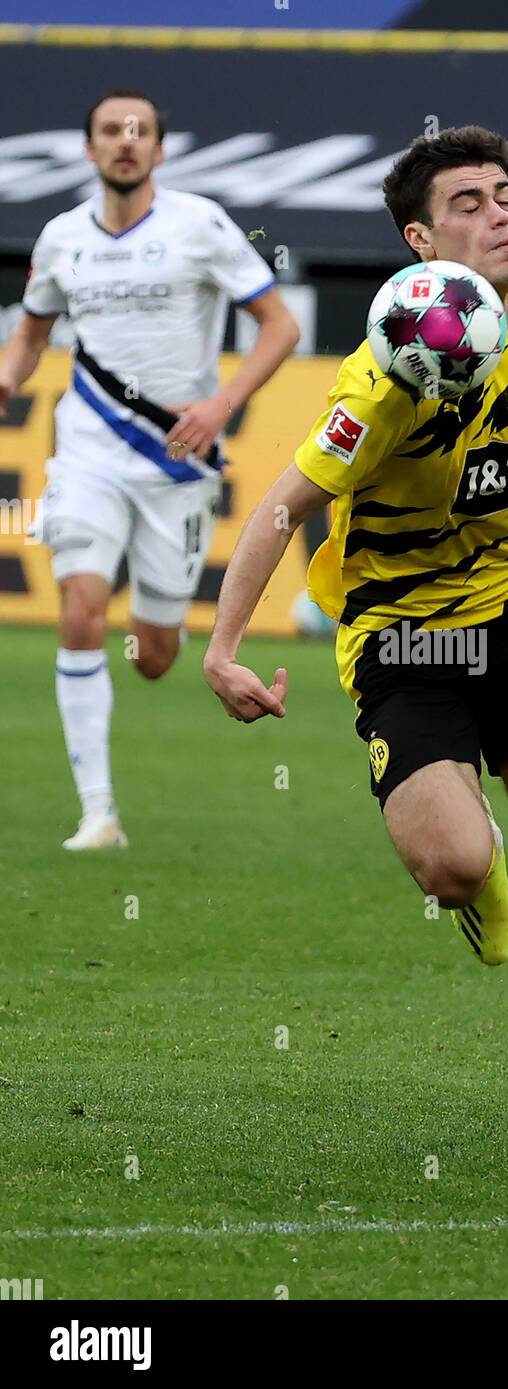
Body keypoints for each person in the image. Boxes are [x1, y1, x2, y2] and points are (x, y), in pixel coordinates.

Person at [203, 126, 508, 1141]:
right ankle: (475, 861)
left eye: (505, 193)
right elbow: (280, 508)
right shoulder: (377, 380)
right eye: (468, 201)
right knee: (455, 864)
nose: (499, 213)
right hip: (401, 636)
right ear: (421, 241)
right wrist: (221, 647)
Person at [0, 89, 299, 849]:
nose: (125, 143)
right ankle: (97, 813)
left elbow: (281, 323)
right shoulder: (63, 237)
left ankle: (155, 631)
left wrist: (222, 401)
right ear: (89, 148)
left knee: (156, 656)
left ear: (160, 150)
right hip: (88, 453)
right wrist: (8, 375)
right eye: (110, 131)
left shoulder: (199, 225)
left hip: (179, 461)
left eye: (140, 132)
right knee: (80, 609)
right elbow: (31, 334)